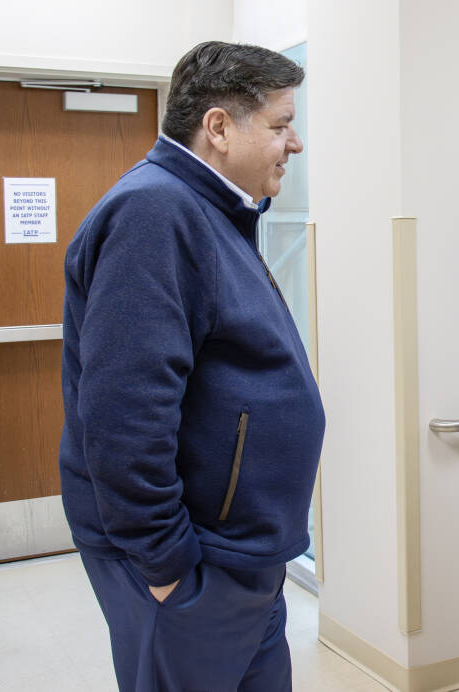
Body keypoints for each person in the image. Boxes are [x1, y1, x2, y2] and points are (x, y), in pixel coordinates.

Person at [59, 41, 324, 692]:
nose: (294, 144)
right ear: (218, 127)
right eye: (281, 125)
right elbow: (123, 415)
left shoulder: (210, 211)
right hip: (195, 562)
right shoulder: (155, 212)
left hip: (239, 555)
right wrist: (168, 567)